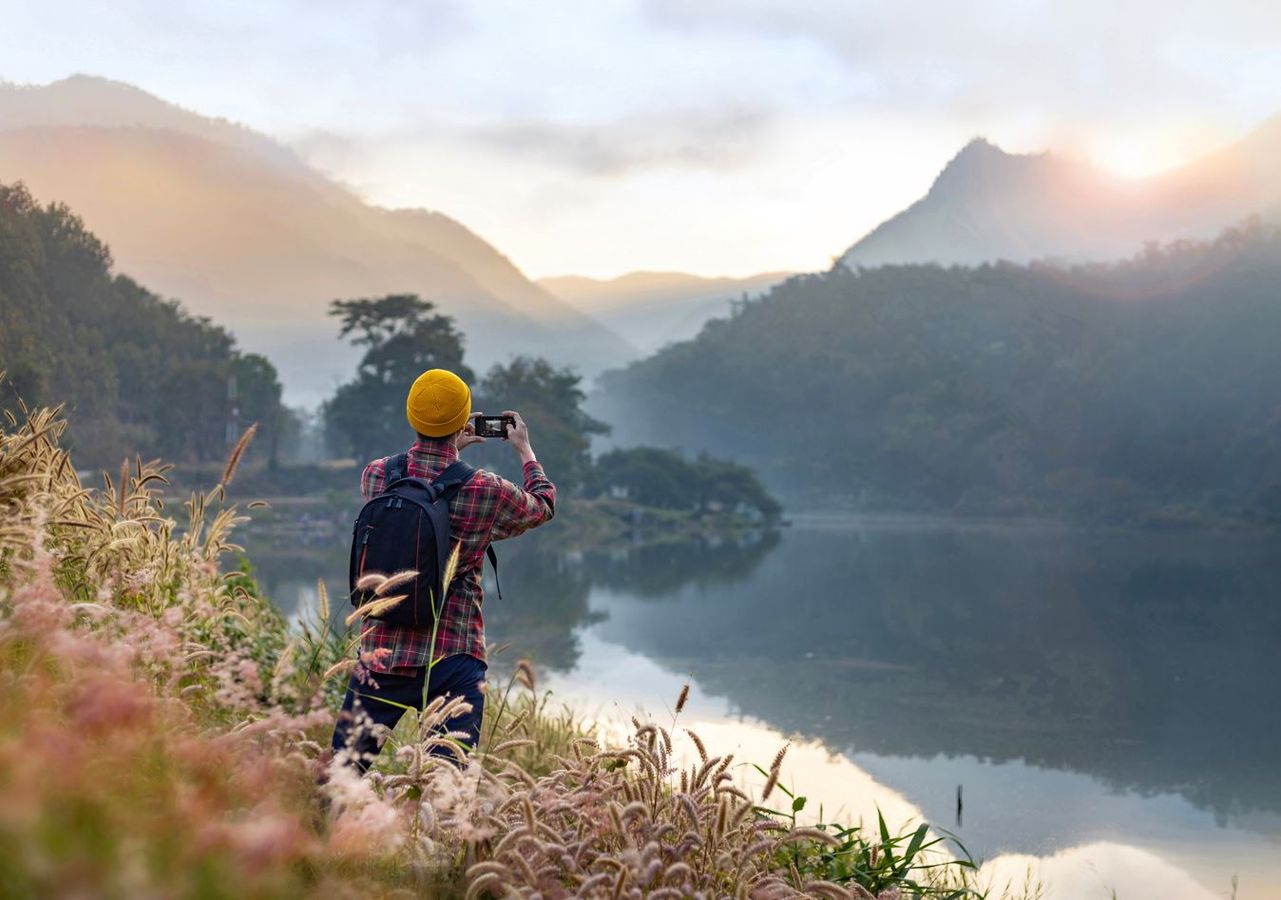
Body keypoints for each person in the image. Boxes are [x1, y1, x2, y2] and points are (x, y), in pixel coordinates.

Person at [330, 368, 555, 771]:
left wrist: (449, 449)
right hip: (453, 653)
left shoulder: (377, 474)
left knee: (344, 772)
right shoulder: (486, 490)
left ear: (412, 416)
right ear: (463, 419)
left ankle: (329, 832)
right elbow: (542, 505)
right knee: (446, 785)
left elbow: (422, 486)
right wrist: (525, 450)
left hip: (383, 652)